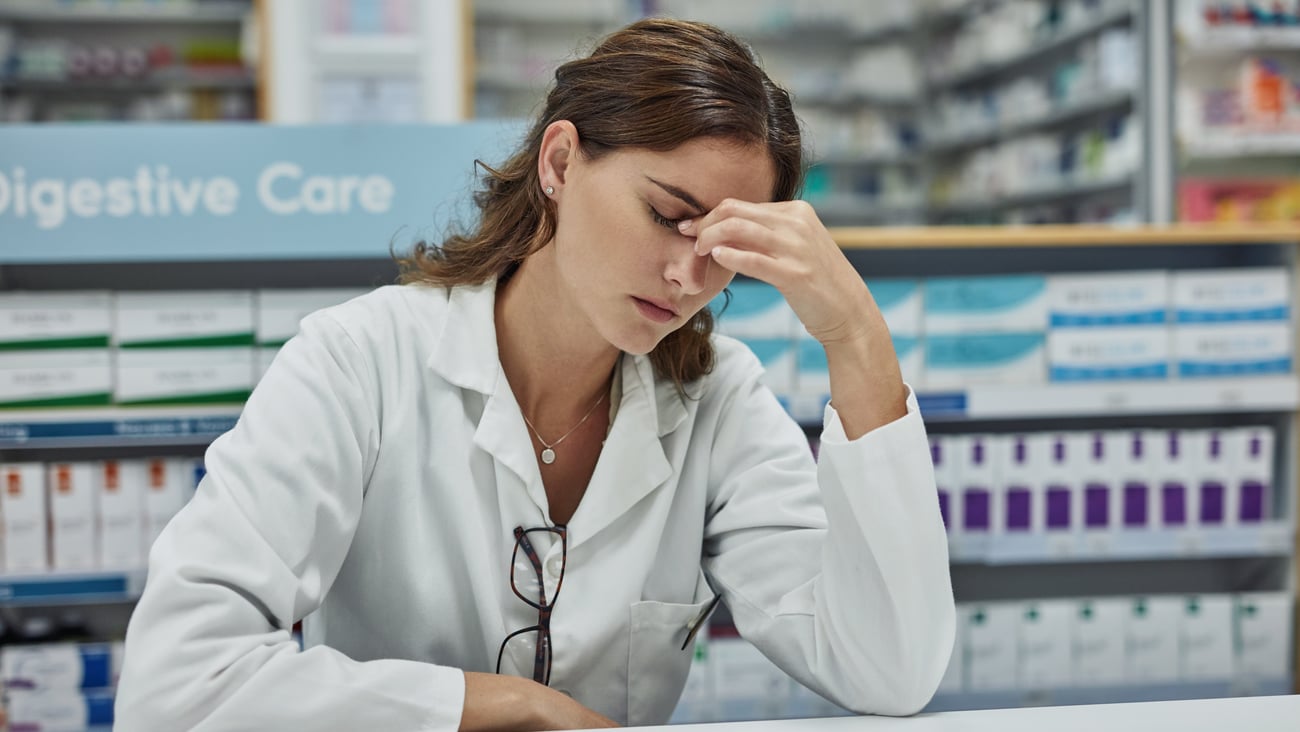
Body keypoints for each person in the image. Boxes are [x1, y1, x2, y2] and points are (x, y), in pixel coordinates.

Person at [115, 17, 954, 731]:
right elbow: (174, 688)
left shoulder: (718, 402)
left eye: (723, 249)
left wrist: (856, 335)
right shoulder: (359, 362)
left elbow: (888, 670)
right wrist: (499, 705)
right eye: (668, 217)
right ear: (559, 163)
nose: (688, 277)